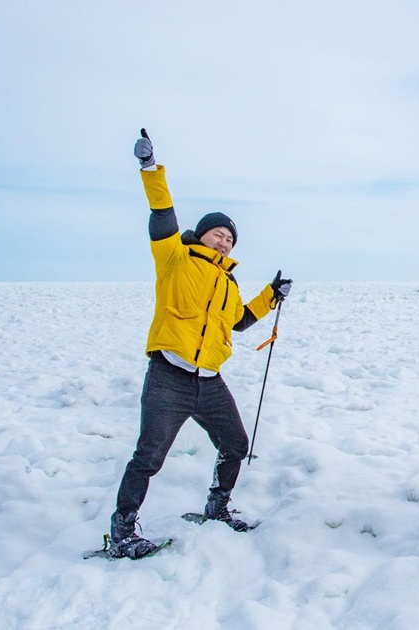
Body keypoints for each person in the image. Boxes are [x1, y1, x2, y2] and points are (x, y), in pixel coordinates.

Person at [108, 132, 293, 559]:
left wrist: (271, 294)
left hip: (209, 381)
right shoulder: (174, 257)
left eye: (230, 238)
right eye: (218, 234)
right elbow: (162, 212)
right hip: (169, 376)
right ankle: (122, 531)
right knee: (148, 457)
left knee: (236, 446)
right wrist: (152, 169)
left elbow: (239, 321)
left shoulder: (228, 283)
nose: (224, 241)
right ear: (203, 234)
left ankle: (218, 506)